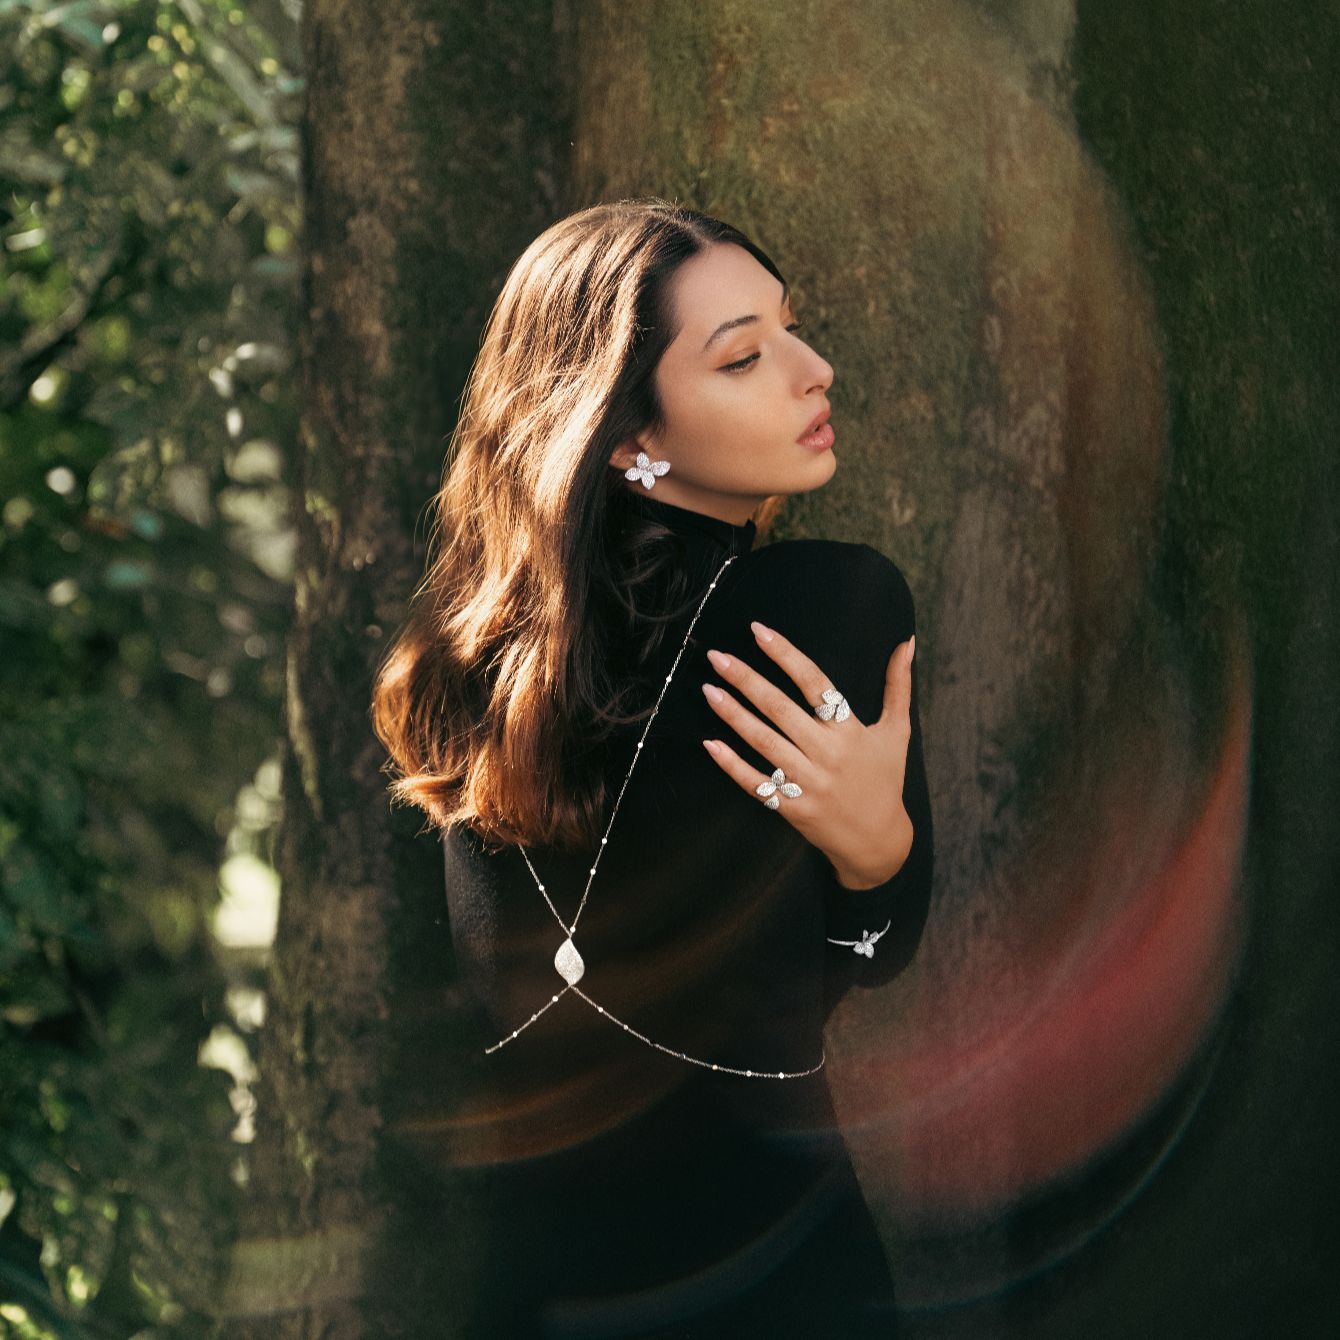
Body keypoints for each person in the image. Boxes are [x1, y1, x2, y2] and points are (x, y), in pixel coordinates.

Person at [371, 198, 934, 1338]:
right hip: (773, 1275)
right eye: (743, 356)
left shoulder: (470, 674)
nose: (814, 370)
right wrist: (881, 862)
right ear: (628, 436)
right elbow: (841, 973)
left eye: (790, 329)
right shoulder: (822, 608)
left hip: (525, 1291)